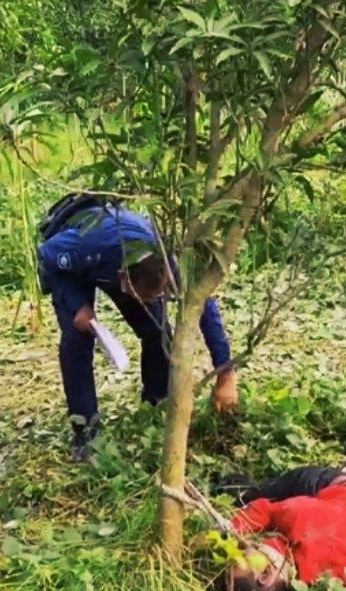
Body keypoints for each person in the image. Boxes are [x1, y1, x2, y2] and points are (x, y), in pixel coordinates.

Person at [37, 193, 240, 462]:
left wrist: (226, 373)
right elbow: (48, 258)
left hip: (132, 267)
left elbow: (205, 308)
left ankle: (156, 404)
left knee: (157, 330)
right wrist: (77, 305)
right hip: (76, 267)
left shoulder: (171, 263)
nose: (146, 303)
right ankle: (85, 429)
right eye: (140, 298)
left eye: (154, 297)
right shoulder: (82, 245)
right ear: (123, 280)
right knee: (77, 338)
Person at [212, 466, 346, 591]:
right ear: (266, 575)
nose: (242, 547)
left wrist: (230, 529)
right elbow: (268, 509)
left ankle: (240, 488)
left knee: (259, 496)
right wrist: (236, 528)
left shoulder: (326, 584)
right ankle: (241, 489)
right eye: (240, 557)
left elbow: (267, 510)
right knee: (272, 491)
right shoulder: (303, 525)